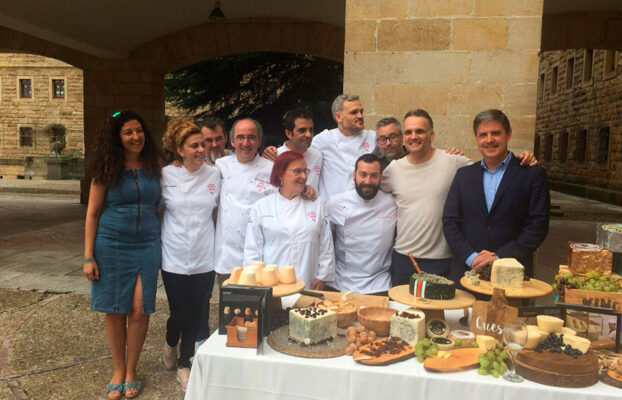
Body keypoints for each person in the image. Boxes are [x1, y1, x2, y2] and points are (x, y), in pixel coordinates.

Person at [381, 109, 538, 286]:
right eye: (408, 132)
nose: (413, 136)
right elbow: (371, 193)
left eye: (420, 131)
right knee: (403, 311)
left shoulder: (454, 161)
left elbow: (492, 166)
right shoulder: (393, 170)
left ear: (431, 134)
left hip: (442, 261)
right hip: (404, 259)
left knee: (440, 313)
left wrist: (523, 159)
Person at [83, 110, 162, 400]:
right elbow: (92, 214)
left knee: (140, 309)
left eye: (139, 130)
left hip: (148, 244)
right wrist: (88, 256)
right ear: (118, 137)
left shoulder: (155, 164)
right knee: (115, 309)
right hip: (112, 244)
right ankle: (118, 371)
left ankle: (132, 370)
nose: (135, 137)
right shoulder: (107, 169)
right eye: (128, 132)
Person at [443, 109, 550, 287]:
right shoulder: (464, 175)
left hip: (512, 274)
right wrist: (472, 258)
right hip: (467, 272)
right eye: (483, 135)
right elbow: (450, 221)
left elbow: (537, 225)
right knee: (463, 316)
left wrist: (499, 257)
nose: (489, 139)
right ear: (476, 139)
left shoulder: (531, 174)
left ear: (508, 134)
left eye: (496, 133)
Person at [160, 119, 221, 391]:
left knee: (196, 313)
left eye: (203, 144)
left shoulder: (216, 174)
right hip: (173, 255)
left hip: (204, 256)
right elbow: (154, 209)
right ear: (179, 150)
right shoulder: (166, 175)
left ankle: (185, 364)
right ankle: (170, 341)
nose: (201, 149)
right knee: (178, 313)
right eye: (194, 145)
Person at [244, 151, 335, 290]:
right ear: (280, 173)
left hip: (309, 281)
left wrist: (322, 276)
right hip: (272, 286)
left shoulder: (316, 204)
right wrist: (255, 282)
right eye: (297, 171)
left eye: (305, 171)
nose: (304, 176)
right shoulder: (262, 207)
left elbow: (326, 244)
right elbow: (252, 249)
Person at [213, 118, 276, 286]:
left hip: (259, 256)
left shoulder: (271, 169)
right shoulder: (220, 166)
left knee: (257, 309)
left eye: (251, 137)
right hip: (227, 256)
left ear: (259, 141)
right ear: (232, 141)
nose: (245, 143)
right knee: (228, 309)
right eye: (240, 137)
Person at [326, 153, 397, 295]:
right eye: (363, 175)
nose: (368, 181)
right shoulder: (336, 203)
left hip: (380, 284)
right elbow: (324, 241)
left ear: (380, 177)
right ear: (354, 175)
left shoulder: (392, 202)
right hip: (341, 283)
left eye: (374, 176)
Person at [310, 94, 377, 200]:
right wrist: (275, 151)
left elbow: (394, 153)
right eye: (354, 112)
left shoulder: (372, 137)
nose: (360, 116)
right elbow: (299, 154)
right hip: (330, 211)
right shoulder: (324, 139)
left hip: (364, 210)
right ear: (338, 117)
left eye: (361, 112)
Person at [276, 108, 323, 191]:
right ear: (289, 133)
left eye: (311, 130)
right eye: (302, 130)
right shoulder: (275, 157)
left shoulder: (317, 155)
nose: (308, 135)